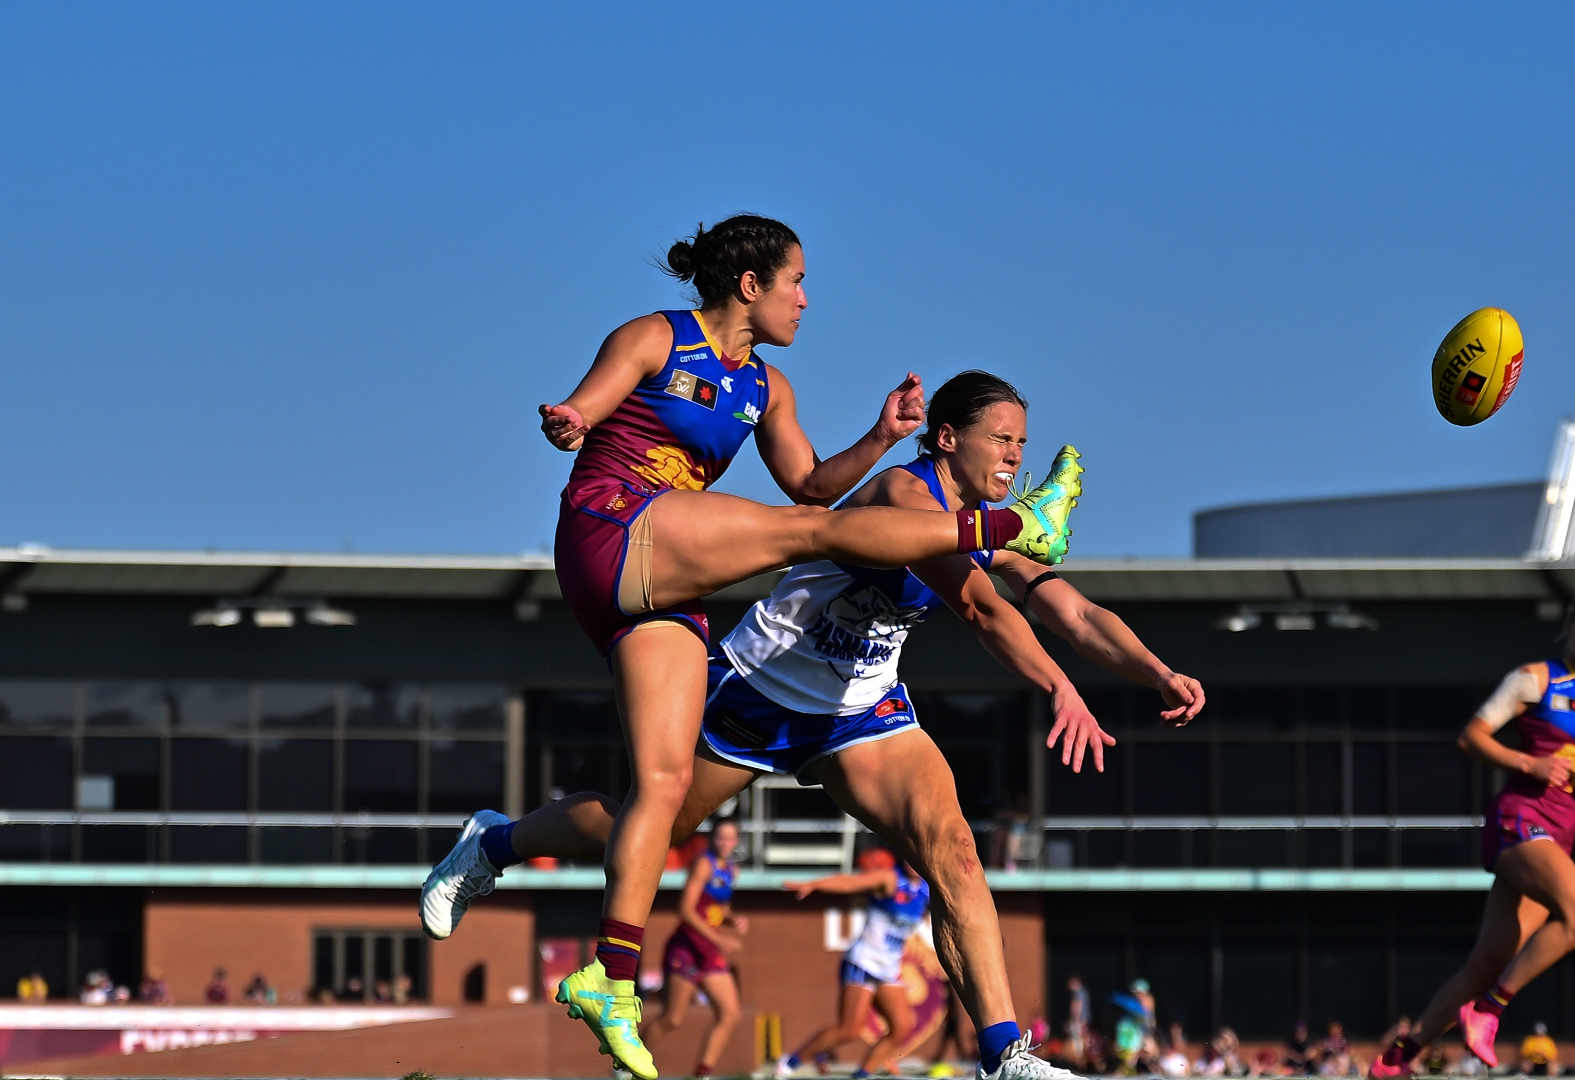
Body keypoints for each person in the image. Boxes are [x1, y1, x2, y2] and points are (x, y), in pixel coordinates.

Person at [420, 218, 1085, 1080]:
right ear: (749, 286)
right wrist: (571, 417)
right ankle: (1015, 525)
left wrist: (880, 435)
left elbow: (811, 482)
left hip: (672, 585)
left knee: (652, 812)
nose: (806, 300)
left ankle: (495, 847)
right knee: (807, 537)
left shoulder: (768, 388)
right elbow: (599, 398)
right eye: (796, 282)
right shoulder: (657, 335)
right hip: (612, 527)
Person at [1371, 586, 1575, 1077]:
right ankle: (1489, 1009)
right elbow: (1471, 737)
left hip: (1558, 838)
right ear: (1570, 625)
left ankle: (1396, 1061)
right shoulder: (1536, 679)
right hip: (1518, 821)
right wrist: (1528, 762)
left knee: (1487, 961)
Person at [772, 850, 926, 1079]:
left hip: (888, 969)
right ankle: (790, 1062)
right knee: (849, 1030)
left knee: (901, 1027)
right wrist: (815, 885)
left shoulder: (927, 890)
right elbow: (851, 882)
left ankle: (863, 1075)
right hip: (863, 962)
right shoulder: (890, 879)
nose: (913, 862)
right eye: (909, 855)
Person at [641, 819, 748, 1078]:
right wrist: (719, 939)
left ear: (737, 842)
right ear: (713, 838)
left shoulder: (732, 870)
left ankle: (702, 1073)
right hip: (687, 948)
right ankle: (626, 1064)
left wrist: (732, 919)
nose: (725, 843)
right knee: (672, 1018)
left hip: (708, 952)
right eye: (721, 837)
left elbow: (717, 908)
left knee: (731, 1013)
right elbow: (686, 910)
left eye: (730, 838)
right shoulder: (703, 864)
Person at [1067, 976, 1093, 1067]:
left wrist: (1075, 1019)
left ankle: (1080, 1063)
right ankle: (1084, 1062)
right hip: (1084, 1019)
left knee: (1077, 1041)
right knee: (1083, 1039)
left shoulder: (1078, 993)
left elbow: (1077, 1006)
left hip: (1079, 1020)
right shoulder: (1084, 992)